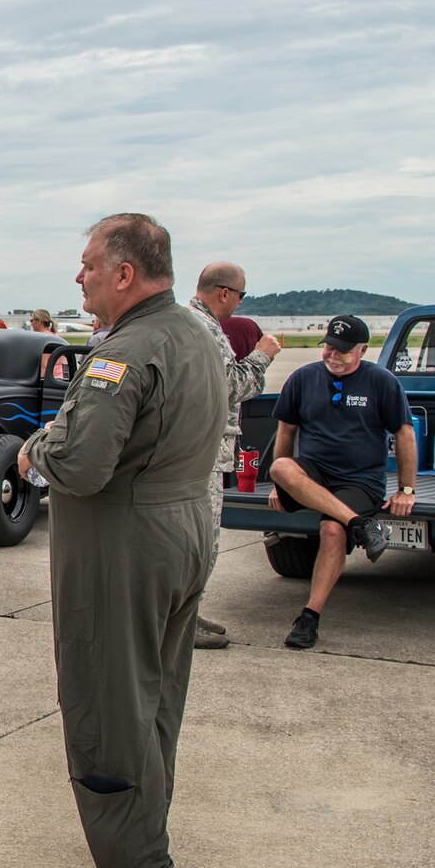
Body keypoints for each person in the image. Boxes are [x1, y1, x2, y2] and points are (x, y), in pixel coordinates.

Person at [20, 213, 224, 868]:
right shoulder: (197, 334)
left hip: (125, 546)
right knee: (154, 701)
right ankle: (146, 838)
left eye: (87, 264)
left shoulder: (123, 353)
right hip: (184, 530)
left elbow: (80, 463)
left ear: (124, 274)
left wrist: (32, 452)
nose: (79, 276)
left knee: (108, 701)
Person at [267, 314, 416, 651]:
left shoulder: (381, 381)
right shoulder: (303, 378)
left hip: (360, 481)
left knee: (332, 531)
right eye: (329, 347)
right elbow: (286, 431)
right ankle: (361, 525)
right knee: (280, 468)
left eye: (343, 350)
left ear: (363, 349)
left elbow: (404, 435)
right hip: (314, 472)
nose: (333, 355)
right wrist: (283, 486)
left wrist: (407, 489)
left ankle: (309, 617)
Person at [186, 264, 283, 647]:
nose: (241, 302)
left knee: (202, 541)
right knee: (202, 543)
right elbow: (230, 385)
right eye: (241, 295)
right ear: (224, 293)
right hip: (203, 452)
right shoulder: (205, 328)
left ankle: (187, 613)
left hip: (201, 449)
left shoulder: (193, 322)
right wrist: (262, 356)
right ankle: (182, 624)